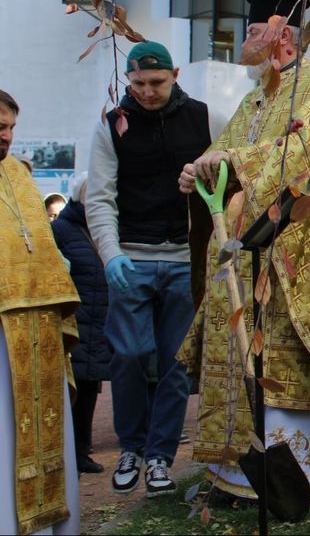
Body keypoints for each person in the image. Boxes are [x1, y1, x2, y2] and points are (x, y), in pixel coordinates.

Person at [177, 0, 310, 498]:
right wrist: (195, 171)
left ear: (281, 35)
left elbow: (303, 149)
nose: (243, 44)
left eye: (250, 33)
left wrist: (231, 165)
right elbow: (222, 152)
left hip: (295, 251)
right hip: (244, 255)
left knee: (284, 364)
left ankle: (304, 477)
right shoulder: (255, 97)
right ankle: (233, 475)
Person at [87, 41, 212, 497]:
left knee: (176, 363)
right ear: (128, 81)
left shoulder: (204, 118)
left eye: (156, 82)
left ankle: (160, 455)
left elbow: (234, 172)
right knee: (130, 355)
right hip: (132, 257)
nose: (146, 92)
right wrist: (110, 252)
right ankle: (131, 446)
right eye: (137, 83)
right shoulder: (112, 126)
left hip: (184, 259)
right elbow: (100, 197)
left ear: (175, 74)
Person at [0, 89, 81, 534]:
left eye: (11, 127)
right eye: (0, 127)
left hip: (37, 326)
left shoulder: (18, 174)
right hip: (1, 334)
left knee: (39, 428)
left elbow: (41, 248)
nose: (7, 136)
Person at [51, 171, 112, 476]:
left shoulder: (101, 229)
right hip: (75, 323)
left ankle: (81, 452)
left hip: (97, 322)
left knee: (89, 390)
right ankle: (66, 454)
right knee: (71, 391)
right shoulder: (61, 229)